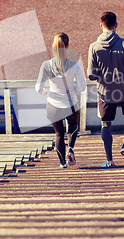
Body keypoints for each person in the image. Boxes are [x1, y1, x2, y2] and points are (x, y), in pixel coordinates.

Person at [87, 12, 124, 167]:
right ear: (116, 25)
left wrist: (101, 76)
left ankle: (110, 161)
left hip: (105, 94)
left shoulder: (93, 47)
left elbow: (91, 74)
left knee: (105, 124)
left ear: (101, 26)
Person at [36, 32, 87, 168]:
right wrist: (72, 87)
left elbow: (38, 88)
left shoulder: (46, 65)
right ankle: (70, 148)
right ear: (67, 46)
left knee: (59, 134)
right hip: (70, 104)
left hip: (53, 105)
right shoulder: (74, 65)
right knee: (73, 126)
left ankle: (62, 164)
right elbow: (82, 87)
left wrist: (46, 92)